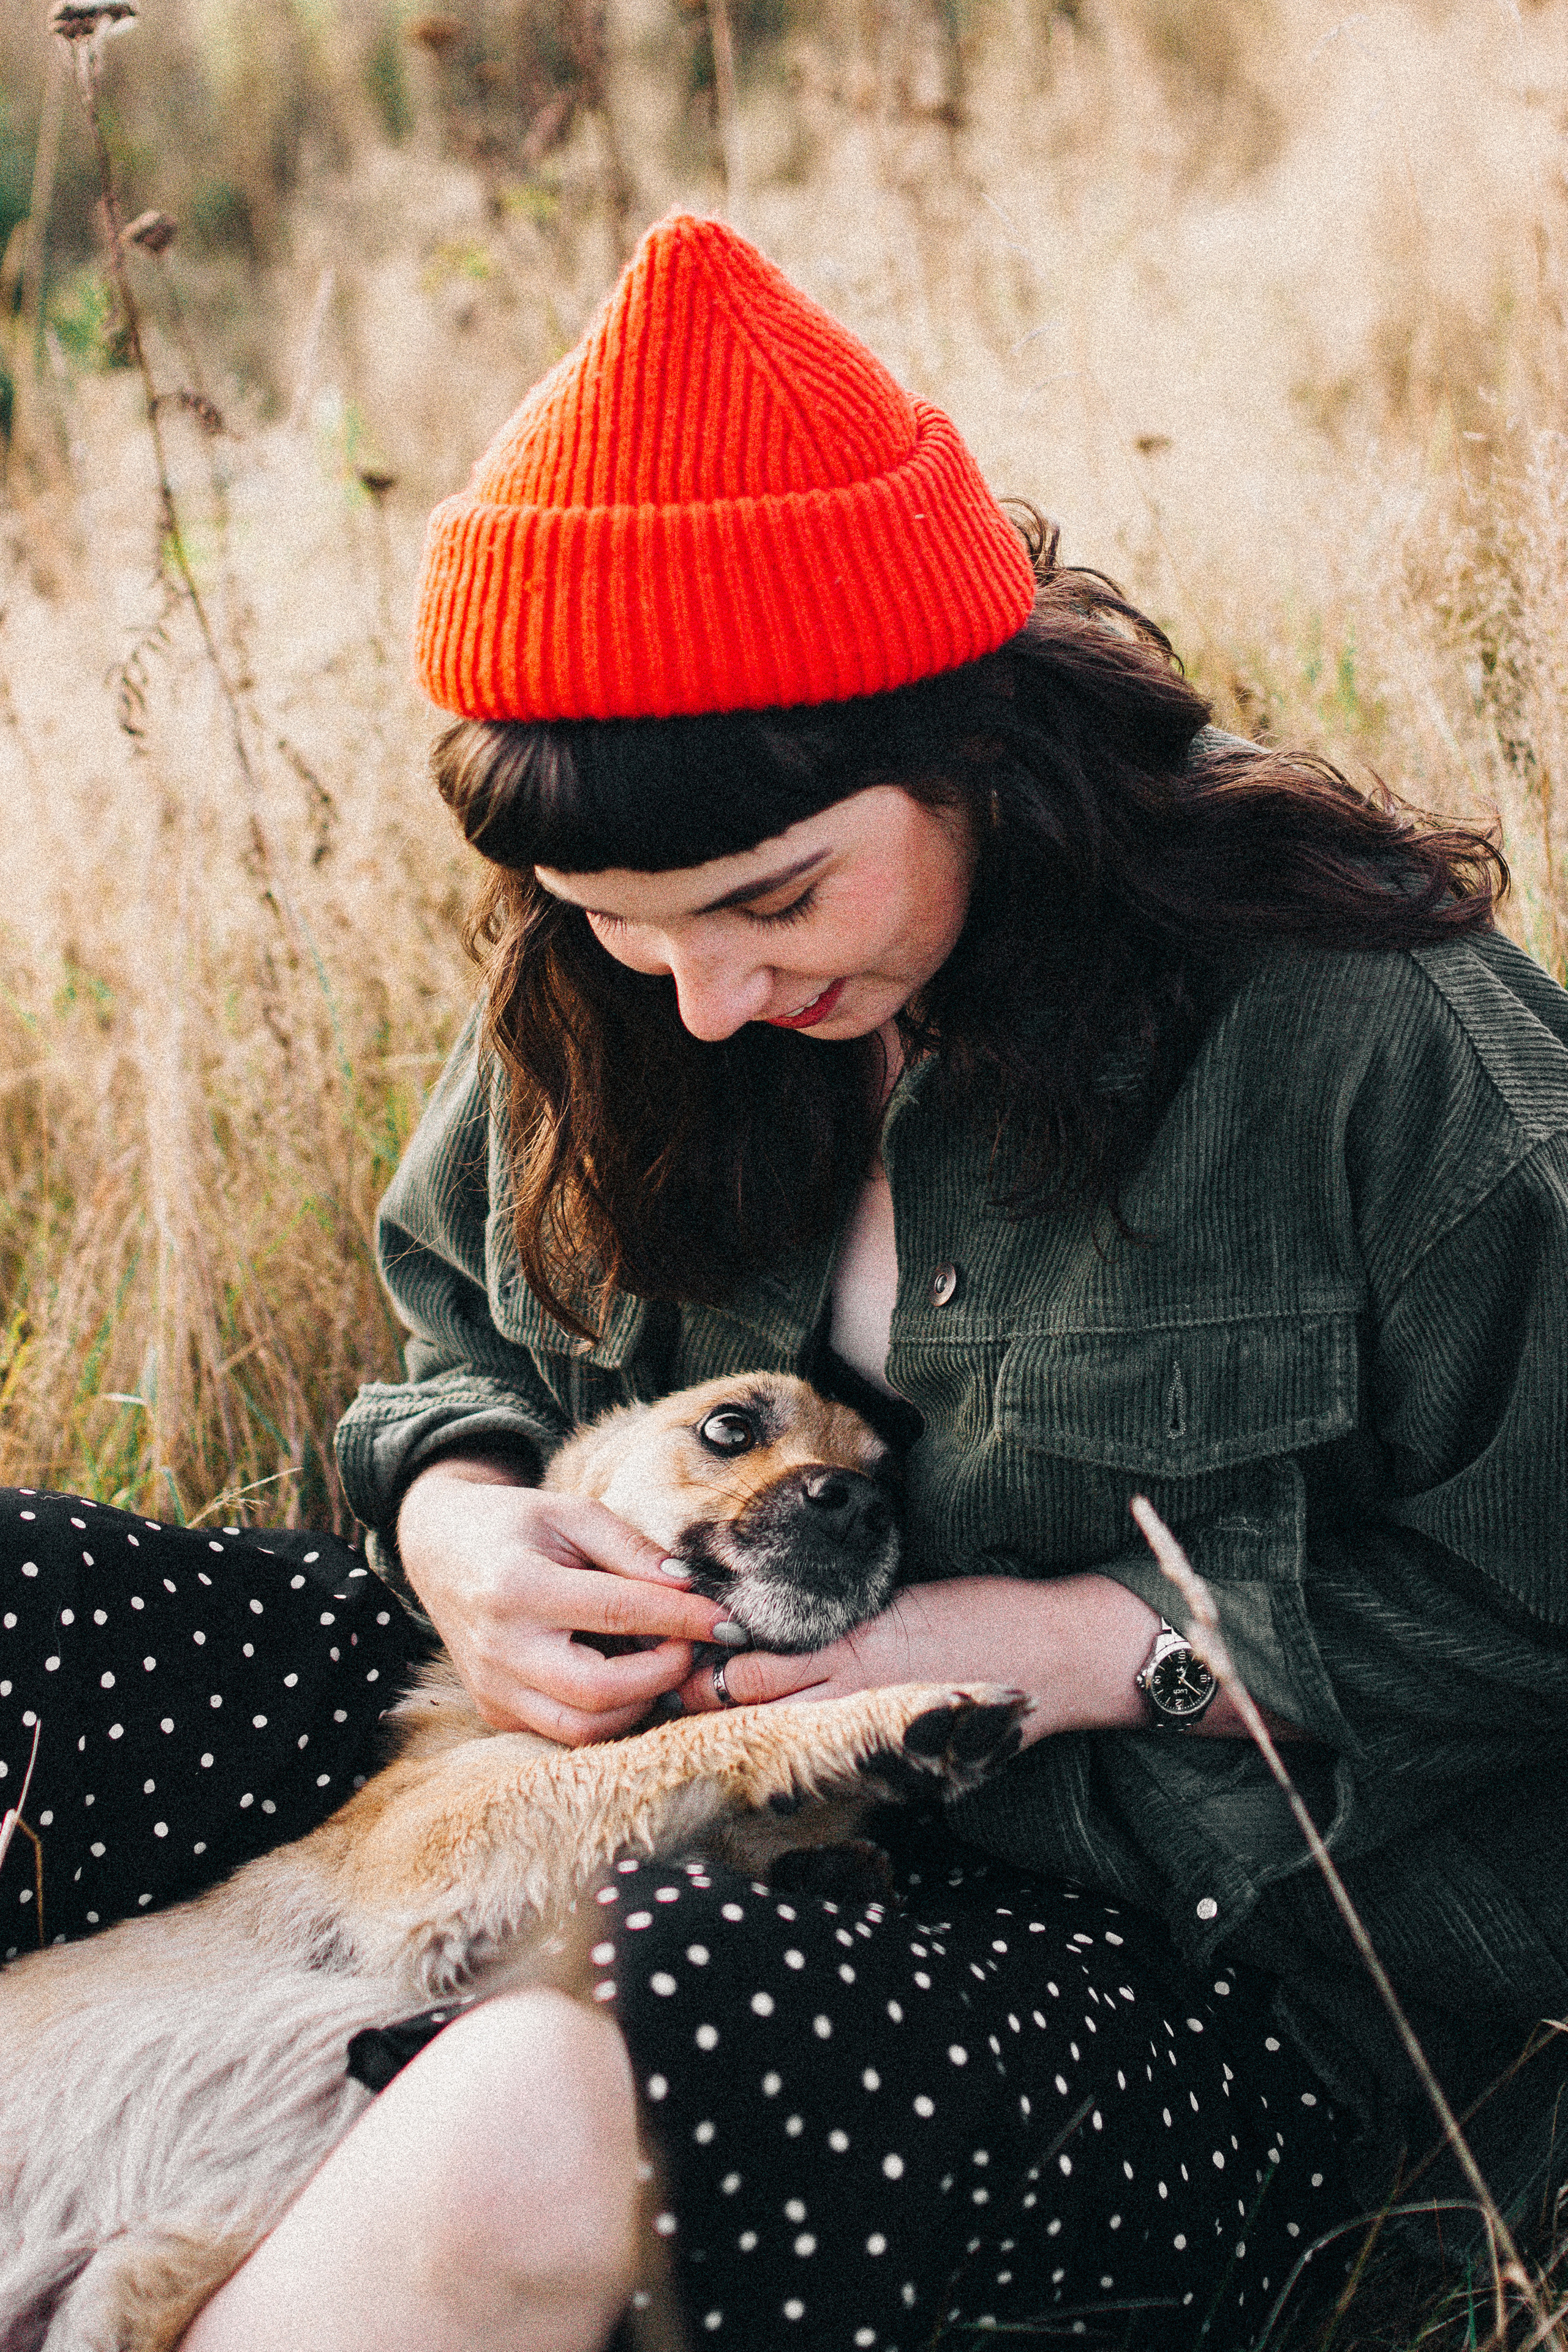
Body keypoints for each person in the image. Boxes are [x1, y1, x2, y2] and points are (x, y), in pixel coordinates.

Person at [4, 211, 1566, 2352]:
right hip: (583, 1779)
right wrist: (464, 1530)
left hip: (1171, 1953)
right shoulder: (636, 983)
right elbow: (452, 1354)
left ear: (982, 754)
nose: (710, 998)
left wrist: (1091, 1637)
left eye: (772, 897)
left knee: (591, 2086)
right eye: (625, 924)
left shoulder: (1377, 1050)